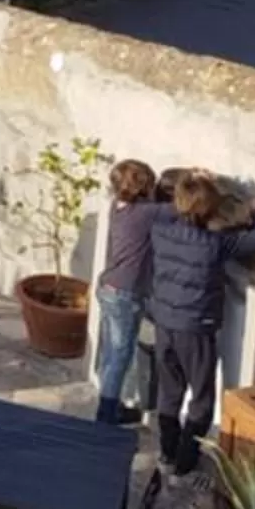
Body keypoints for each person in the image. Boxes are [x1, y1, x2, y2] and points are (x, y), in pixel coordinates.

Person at [145, 169, 255, 476]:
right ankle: (186, 459)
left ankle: (167, 450)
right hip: (195, 327)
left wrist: (191, 183)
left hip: (164, 321)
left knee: (170, 389)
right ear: (211, 210)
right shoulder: (215, 244)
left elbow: (166, 205)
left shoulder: (161, 229)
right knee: (202, 397)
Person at [93, 156, 158, 426]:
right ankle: (106, 415)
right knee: (120, 355)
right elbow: (182, 209)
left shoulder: (117, 207)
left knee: (111, 352)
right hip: (125, 293)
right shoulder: (146, 213)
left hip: (108, 286)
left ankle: (111, 404)